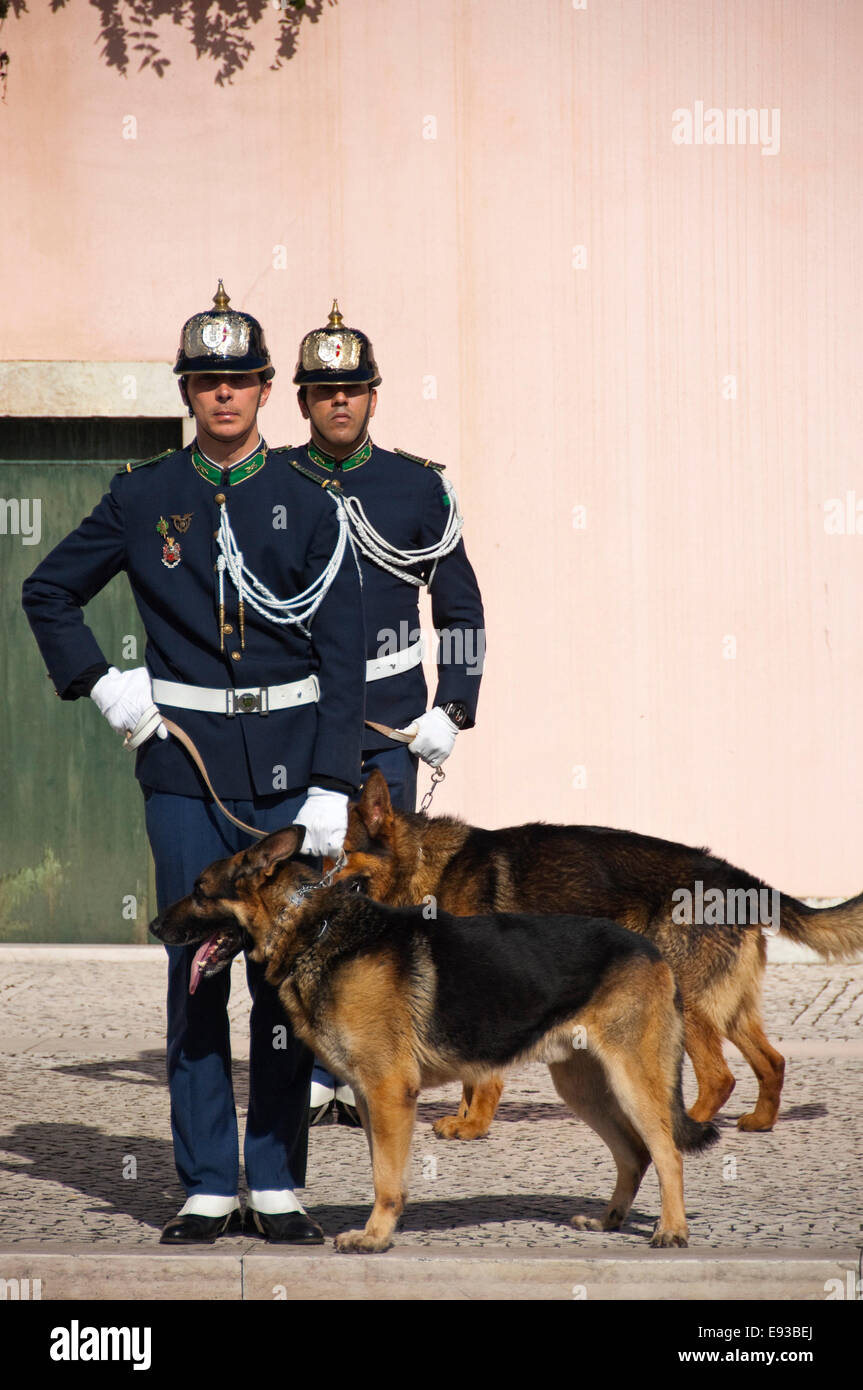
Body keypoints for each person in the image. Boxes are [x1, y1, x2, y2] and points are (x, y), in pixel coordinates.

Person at [21, 284, 367, 1244]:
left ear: (265, 390)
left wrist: (334, 784)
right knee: (195, 975)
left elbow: (343, 655)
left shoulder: (307, 498)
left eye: (239, 381)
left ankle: (279, 1182)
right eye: (205, 381)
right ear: (188, 391)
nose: (223, 397)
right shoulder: (145, 496)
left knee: (286, 987)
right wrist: (105, 687)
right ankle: (209, 1181)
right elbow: (46, 590)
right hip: (184, 774)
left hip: (292, 784)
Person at [288, 301, 485, 1123]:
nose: (339, 402)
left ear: (375, 397)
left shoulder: (414, 487)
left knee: (384, 898)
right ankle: (309, 1061)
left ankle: (375, 1059)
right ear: (300, 401)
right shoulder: (275, 482)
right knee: (299, 887)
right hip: (295, 718)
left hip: (386, 725)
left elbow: (462, 606)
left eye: (353, 388)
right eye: (323, 390)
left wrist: (455, 706)